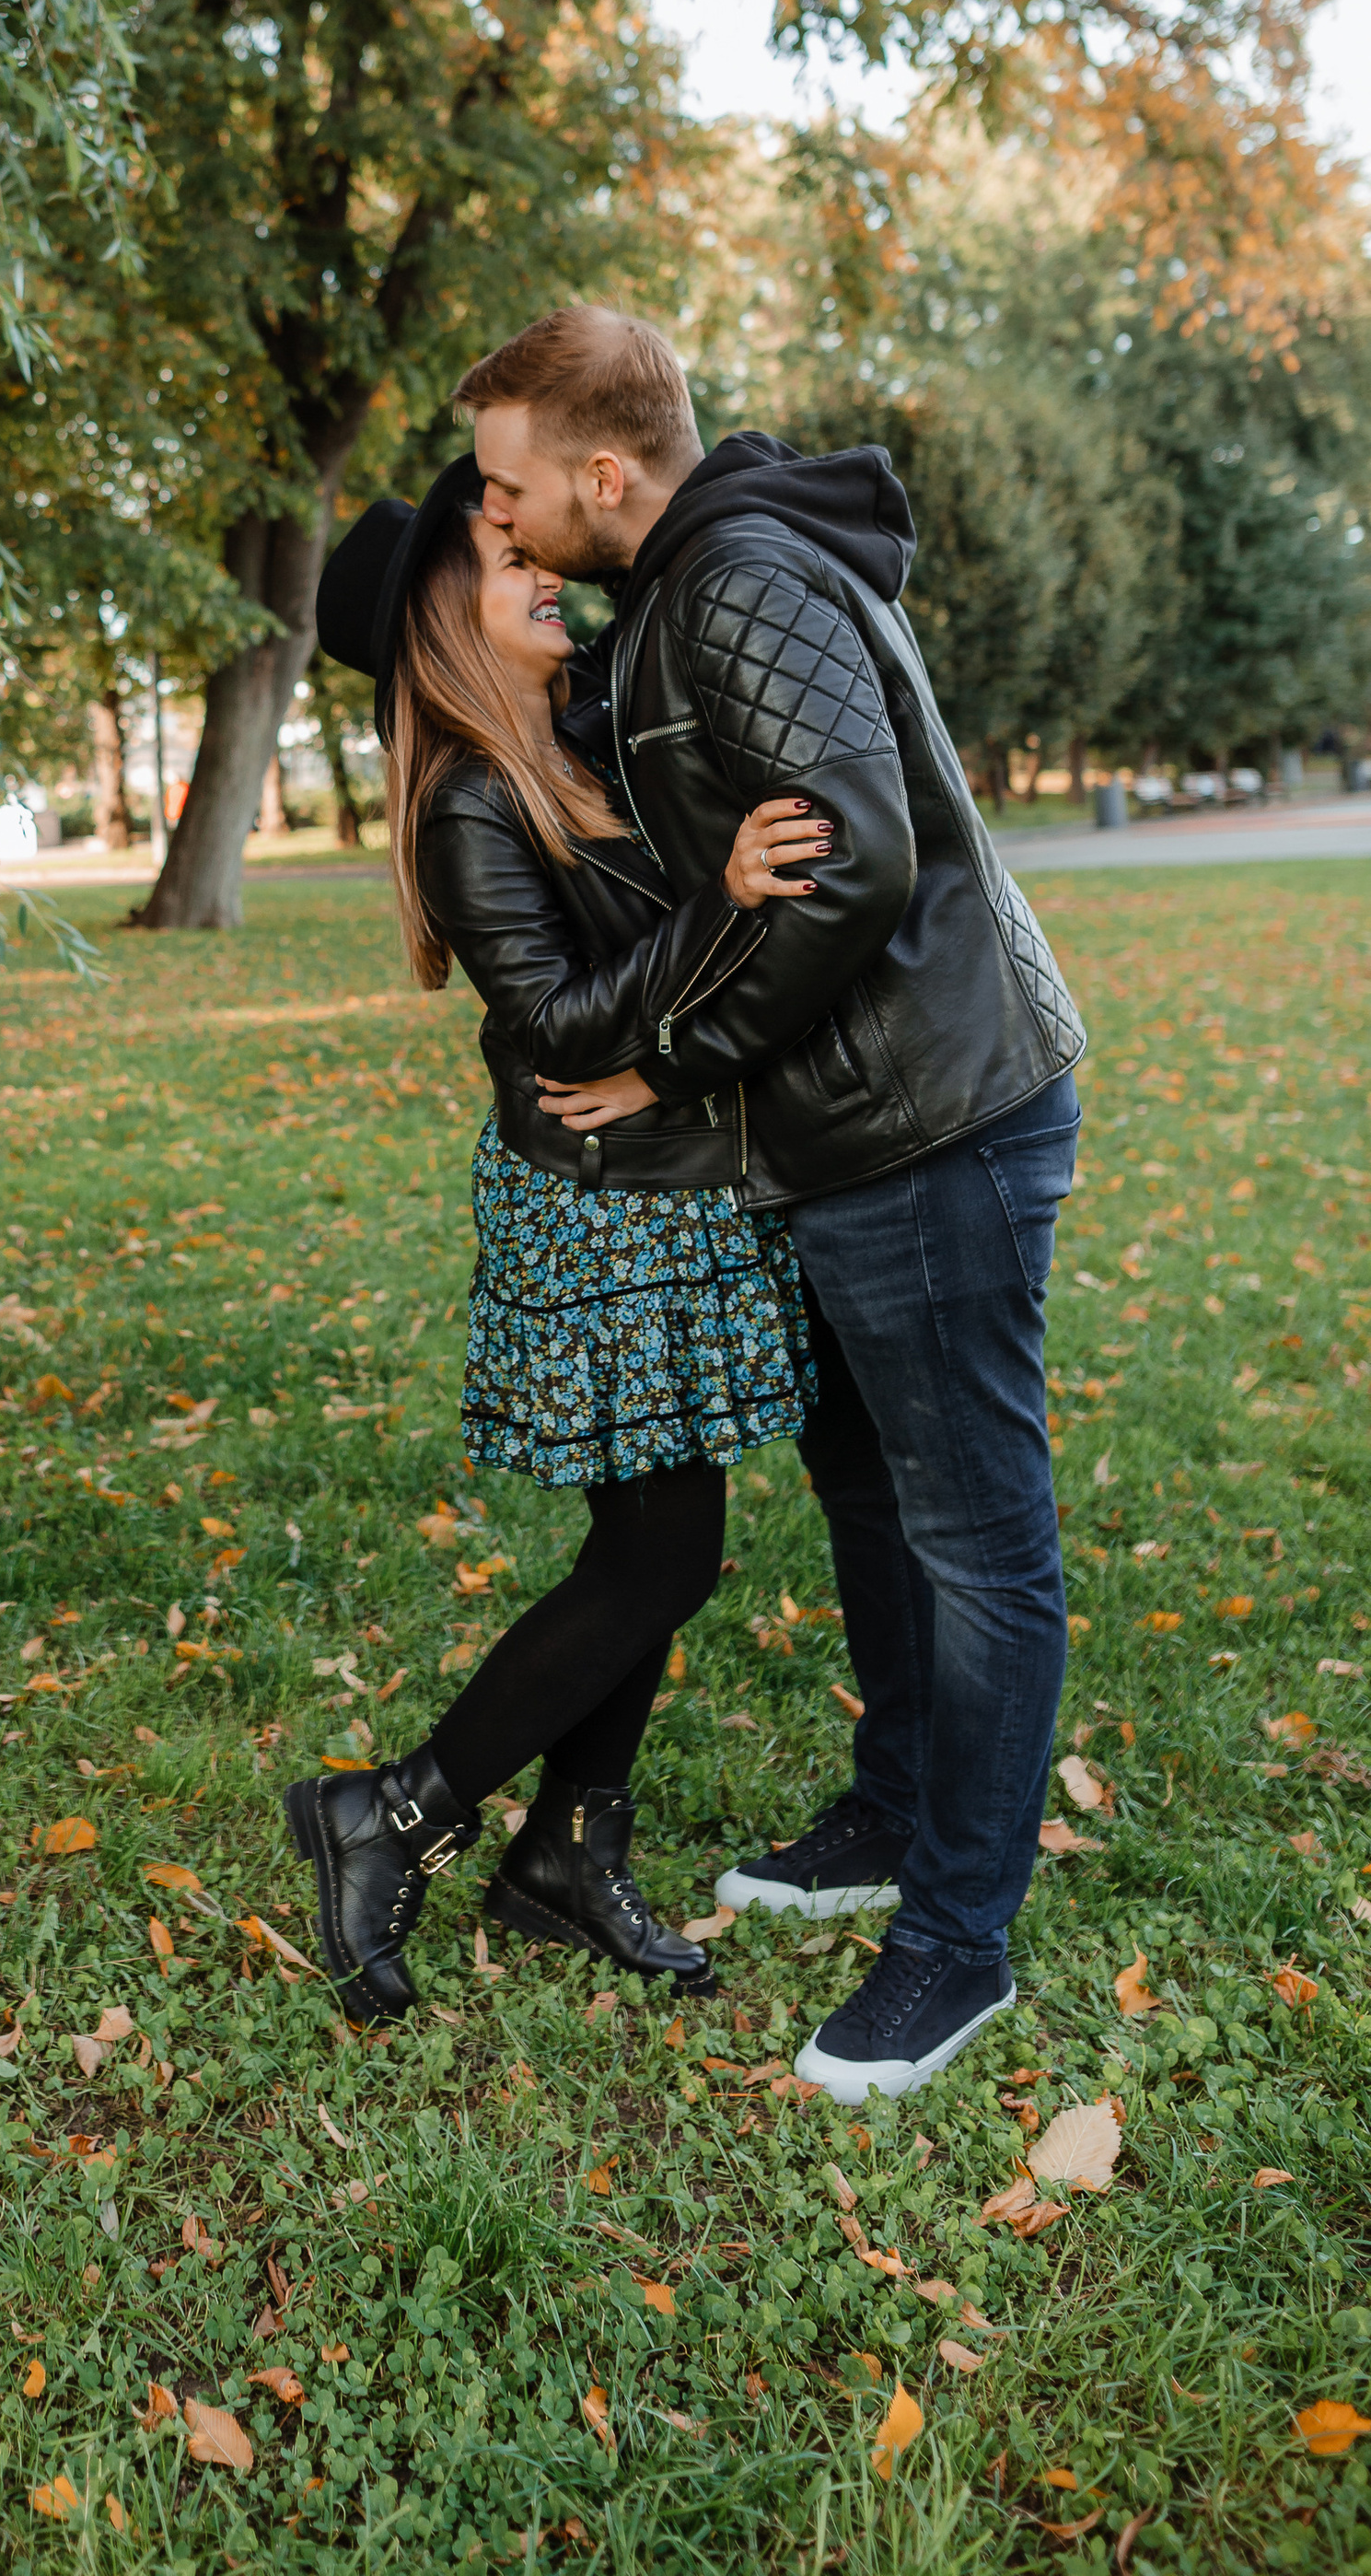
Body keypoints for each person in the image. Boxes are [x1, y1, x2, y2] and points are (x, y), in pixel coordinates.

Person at [453, 308, 1085, 2105]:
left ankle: (953, 1945)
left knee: (975, 1540)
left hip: (927, 1120)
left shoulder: (729, 577)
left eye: (507, 486)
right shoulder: (680, 589)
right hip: (844, 1127)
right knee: (870, 1494)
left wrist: (684, 1056)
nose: (493, 520)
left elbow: (859, 856)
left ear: (599, 472)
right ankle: (890, 1819)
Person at [279, 459, 831, 2023]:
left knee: (652, 1553)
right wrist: (722, 901)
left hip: (664, 1186)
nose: (535, 561)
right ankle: (392, 1811)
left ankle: (568, 1856)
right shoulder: (468, 796)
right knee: (662, 1550)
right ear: (446, 617)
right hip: (596, 1210)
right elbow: (555, 1023)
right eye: (499, 552)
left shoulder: (575, 738)